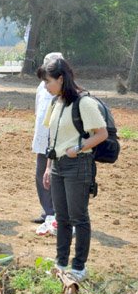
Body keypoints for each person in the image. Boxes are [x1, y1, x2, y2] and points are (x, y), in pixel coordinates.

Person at [40, 58, 108, 282]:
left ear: (61, 79)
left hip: (78, 165)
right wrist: (49, 167)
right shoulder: (56, 102)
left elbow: (101, 134)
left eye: (48, 82)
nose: (46, 86)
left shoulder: (84, 102)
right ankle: (61, 262)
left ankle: (79, 267)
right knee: (62, 217)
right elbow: (53, 137)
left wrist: (78, 148)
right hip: (58, 164)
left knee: (79, 218)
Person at [31, 52, 63, 224]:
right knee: (41, 175)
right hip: (42, 138)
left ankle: (58, 214)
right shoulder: (41, 87)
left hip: (59, 141)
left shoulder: (65, 90)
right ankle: (47, 212)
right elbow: (38, 111)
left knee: (55, 177)